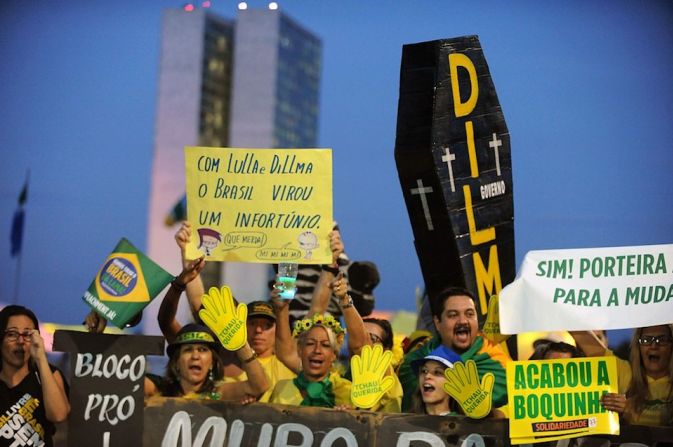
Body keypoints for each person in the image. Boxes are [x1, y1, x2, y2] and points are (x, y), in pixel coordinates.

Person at [270, 273, 401, 411]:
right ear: (300, 350)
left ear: (334, 354)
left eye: (372, 339)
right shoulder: (287, 385)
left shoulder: (348, 390)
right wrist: (281, 309)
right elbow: (286, 352)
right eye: (310, 343)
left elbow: (361, 346)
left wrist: (344, 300)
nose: (317, 350)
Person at [398, 287, 509, 413]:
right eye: (453, 315)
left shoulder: (497, 363)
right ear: (437, 323)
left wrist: (488, 413)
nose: (463, 321)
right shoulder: (413, 363)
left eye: (470, 314)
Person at [572, 325, 672, 426]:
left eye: (662, 340)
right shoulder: (625, 371)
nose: (654, 346)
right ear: (638, 347)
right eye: (646, 340)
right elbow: (585, 339)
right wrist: (563, 311)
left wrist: (628, 409)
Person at [0, 305, 70, 447]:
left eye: (27, 335)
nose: (20, 342)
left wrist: (41, 359)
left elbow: (58, 415)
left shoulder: (48, 374)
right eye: (12, 334)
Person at [144, 323, 269, 401]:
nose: (195, 356)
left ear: (212, 363)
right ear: (176, 362)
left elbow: (259, 386)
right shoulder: (159, 389)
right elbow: (127, 383)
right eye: (188, 350)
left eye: (202, 350)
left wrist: (241, 345)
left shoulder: (218, 394)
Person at [410, 345, 462, 416]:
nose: (427, 376)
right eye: (424, 371)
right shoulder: (405, 422)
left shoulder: (465, 425)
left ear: (454, 384)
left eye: (437, 372)